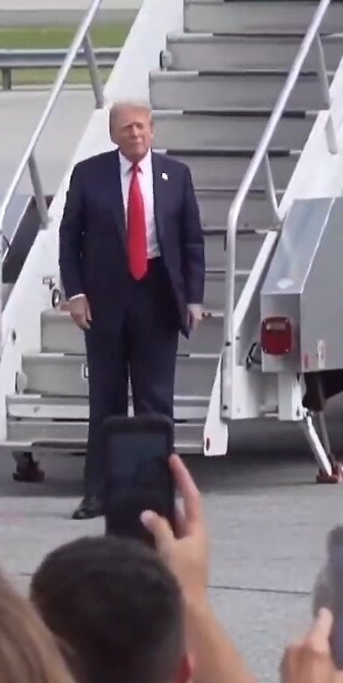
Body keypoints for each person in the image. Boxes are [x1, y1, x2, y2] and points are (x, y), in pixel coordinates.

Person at [57, 99, 206, 520]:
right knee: (105, 399)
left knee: (155, 403)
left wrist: (192, 298)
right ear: (113, 134)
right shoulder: (90, 175)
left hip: (157, 296)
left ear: (153, 131)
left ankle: (154, 492)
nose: (135, 134)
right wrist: (76, 294)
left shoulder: (175, 176)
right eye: (126, 129)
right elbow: (70, 239)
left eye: (141, 127)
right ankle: (99, 492)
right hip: (105, 300)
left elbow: (192, 241)